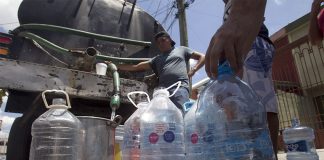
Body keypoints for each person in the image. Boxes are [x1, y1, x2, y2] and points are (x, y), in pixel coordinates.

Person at [205, 0, 279, 158]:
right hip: (243, 44)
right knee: (242, 104)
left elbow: (251, 14)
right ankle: (255, 153)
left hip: (254, 41)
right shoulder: (228, 6)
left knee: (263, 103)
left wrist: (238, 18)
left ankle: (268, 155)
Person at [106, 31, 205, 113]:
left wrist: (194, 69)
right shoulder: (156, 59)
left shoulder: (182, 50)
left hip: (180, 88)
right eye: (158, 43)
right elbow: (137, 67)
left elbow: (202, 57)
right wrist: (117, 66)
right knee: (162, 116)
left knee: (181, 113)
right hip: (162, 93)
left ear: (170, 40)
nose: (160, 44)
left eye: (163, 40)